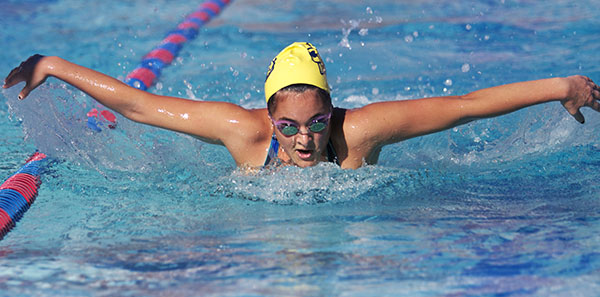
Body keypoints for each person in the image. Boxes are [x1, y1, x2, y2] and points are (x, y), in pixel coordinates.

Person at [3, 42, 600, 169]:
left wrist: (559, 86)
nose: (306, 140)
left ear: (334, 112)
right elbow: (137, 106)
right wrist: (53, 66)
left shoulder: (361, 131)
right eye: (289, 127)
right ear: (269, 120)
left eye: (317, 123)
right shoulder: (242, 133)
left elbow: (467, 105)